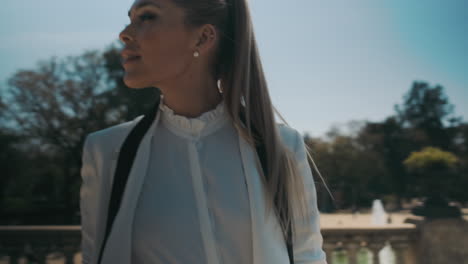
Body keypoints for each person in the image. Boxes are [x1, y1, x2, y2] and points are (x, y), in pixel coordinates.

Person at [79, 0, 328, 263]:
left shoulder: (282, 146)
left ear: (203, 37)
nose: (124, 33)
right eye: (130, 18)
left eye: (147, 16)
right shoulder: (106, 151)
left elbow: (307, 257)